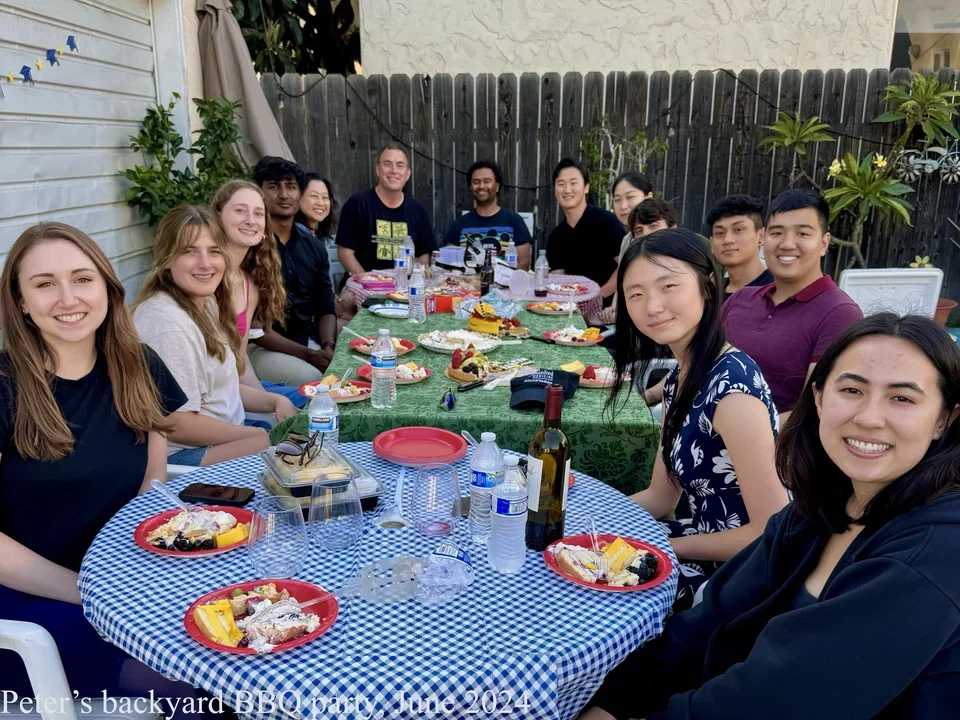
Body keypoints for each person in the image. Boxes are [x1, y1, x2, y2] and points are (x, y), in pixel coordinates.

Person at [583, 313, 960, 719]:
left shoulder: (930, 556)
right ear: (817, 399)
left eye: (902, 398)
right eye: (851, 389)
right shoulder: (820, 507)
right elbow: (706, 623)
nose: (869, 417)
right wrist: (611, 703)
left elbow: (777, 702)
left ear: (944, 419)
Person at [0, 222, 194, 699]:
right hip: (34, 609)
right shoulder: (4, 386)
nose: (68, 298)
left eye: (82, 278)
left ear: (107, 287)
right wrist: (90, 592)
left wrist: (156, 534)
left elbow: (152, 461)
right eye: (44, 284)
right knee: (190, 684)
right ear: (21, 302)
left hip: (126, 577)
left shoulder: (136, 363)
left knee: (247, 637)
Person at [606, 228, 788, 609]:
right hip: (697, 540)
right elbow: (661, 495)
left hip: (736, 577)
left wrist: (662, 547)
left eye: (668, 286)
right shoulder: (681, 375)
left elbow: (769, 533)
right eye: (635, 294)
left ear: (707, 286)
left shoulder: (733, 389)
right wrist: (597, 521)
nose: (652, 306)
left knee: (597, 592)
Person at [134, 205, 277, 466]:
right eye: (189, 252)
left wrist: (276, 402)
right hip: (184, 456)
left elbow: (223, 390)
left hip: (228, 434)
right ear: (166, 258)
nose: (205, 263)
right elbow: (177, 423)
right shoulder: (167, 323)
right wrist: (258, 436)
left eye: (214, 251)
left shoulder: (205, 302)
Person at [724, 188, 863, 421]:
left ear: (824, 243)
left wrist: (739, 435)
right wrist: (647, 396)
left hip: (774, 448)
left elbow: (813, 410)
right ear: (763, 238)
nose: (787, 244)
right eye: (777, 233)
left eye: (803, 234)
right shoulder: (740, 299)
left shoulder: (839, 314)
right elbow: (698, 361)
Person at [211, 180, 305, 411]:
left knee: (324, 401)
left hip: (237, 389)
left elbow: (240, 364)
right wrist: (271, 407)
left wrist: (268, 402)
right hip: (213, 400)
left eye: (258, 213)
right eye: (240, 210)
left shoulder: (247, 284)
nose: (251, 221)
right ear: (217, 216)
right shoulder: (205, 278)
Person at [251, 157, 338, 385]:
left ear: (299, 194)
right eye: (273, 186)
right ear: (259, 194)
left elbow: (326, 307)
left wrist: (328, 346)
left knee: (353, 365)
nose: (283, 194)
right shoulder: (251, 246)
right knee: (314, 380)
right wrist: (310, 354)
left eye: (290, 187)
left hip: (306, 340)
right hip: (259, 345)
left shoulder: (313, 246)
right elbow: (255, 328)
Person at [336, 142, 437, 318]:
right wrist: (368, 282)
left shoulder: (417, 210)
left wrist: (414, 280)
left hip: (405, 285)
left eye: (400, 165)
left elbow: (424, 255)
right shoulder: (357, 203)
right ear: (378, 170)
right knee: (343, 304)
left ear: (407, 174)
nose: (393, 170)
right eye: (387, 164)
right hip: (363, 283)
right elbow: (345, 252)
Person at [547, 158, 624, 304]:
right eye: (561, 184)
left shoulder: (607, 222)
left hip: (608, 311)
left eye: (574, 183)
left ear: (586, 187)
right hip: (572, 311)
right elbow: (558, 279)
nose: (567, 189)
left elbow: (626, 265)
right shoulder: (556, 236)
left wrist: (599, 296)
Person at [444, 159, 532, 269]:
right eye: (476, 182)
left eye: (487, 181)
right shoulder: (460, 224)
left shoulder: (514, 221)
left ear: (497, 186)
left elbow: (523, 264)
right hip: (468, 285)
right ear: (471, 188)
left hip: (505, 285)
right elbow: (449, 264)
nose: (481, 186)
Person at [706, 194, 773, 301]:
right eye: (719, 233)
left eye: (738, 230)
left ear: (761, 236)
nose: (727, 240)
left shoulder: (778, 290)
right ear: (712, 244)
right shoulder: (710, 295)